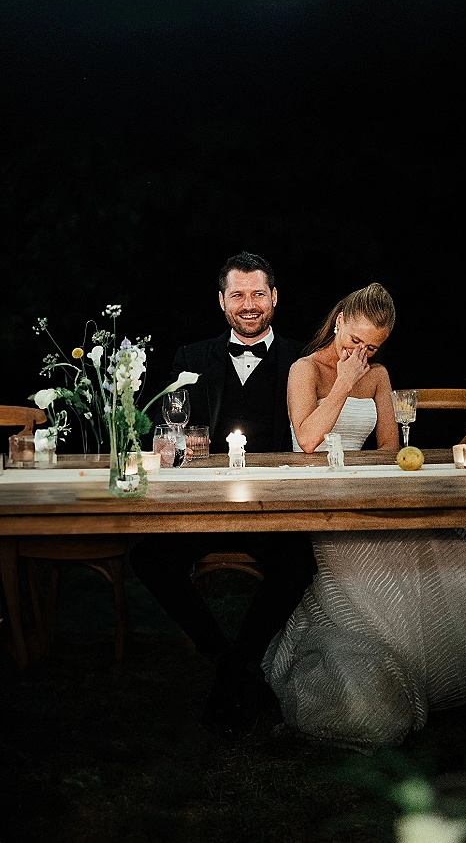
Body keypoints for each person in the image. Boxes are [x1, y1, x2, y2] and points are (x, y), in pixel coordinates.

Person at [262, 282, 466, 752]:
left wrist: (366, 388)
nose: (361, 352)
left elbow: (390, 450)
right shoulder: (304, 369)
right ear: (339, 324)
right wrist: (344, 385)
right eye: (355, 341)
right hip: (317, 499)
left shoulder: (378, 375)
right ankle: (395, 671)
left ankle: (463, 659)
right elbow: (308, 438)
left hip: (363, 492)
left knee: (439, 534)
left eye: (372, 347)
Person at [130, 252, 317, 735]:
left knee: (299, 563)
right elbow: (168, 436)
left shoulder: (302, 359)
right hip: (204, 508)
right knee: (149, 558)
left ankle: (233, 672)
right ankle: (238, 668)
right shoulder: (191, 358)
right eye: (238, 295)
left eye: (258, 293)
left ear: (275, 297)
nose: (249, 304)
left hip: (273, 509)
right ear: (221, 302)